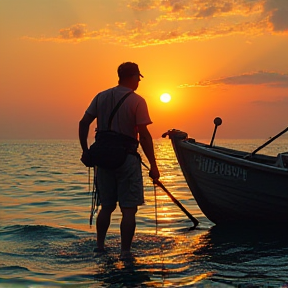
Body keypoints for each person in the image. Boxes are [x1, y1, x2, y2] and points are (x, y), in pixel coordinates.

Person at [79, 62, 160, 256]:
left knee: (106, 206)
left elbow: (83, 123)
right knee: (129, 209)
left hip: (103, 159)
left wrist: (85, 151)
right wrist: (154, 166)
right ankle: (125, 252)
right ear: (133, 77)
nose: (138, 83)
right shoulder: (138, 101)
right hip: (127, 159)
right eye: (138, 78)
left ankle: (100, 247)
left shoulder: (101, 96)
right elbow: (145, 135)